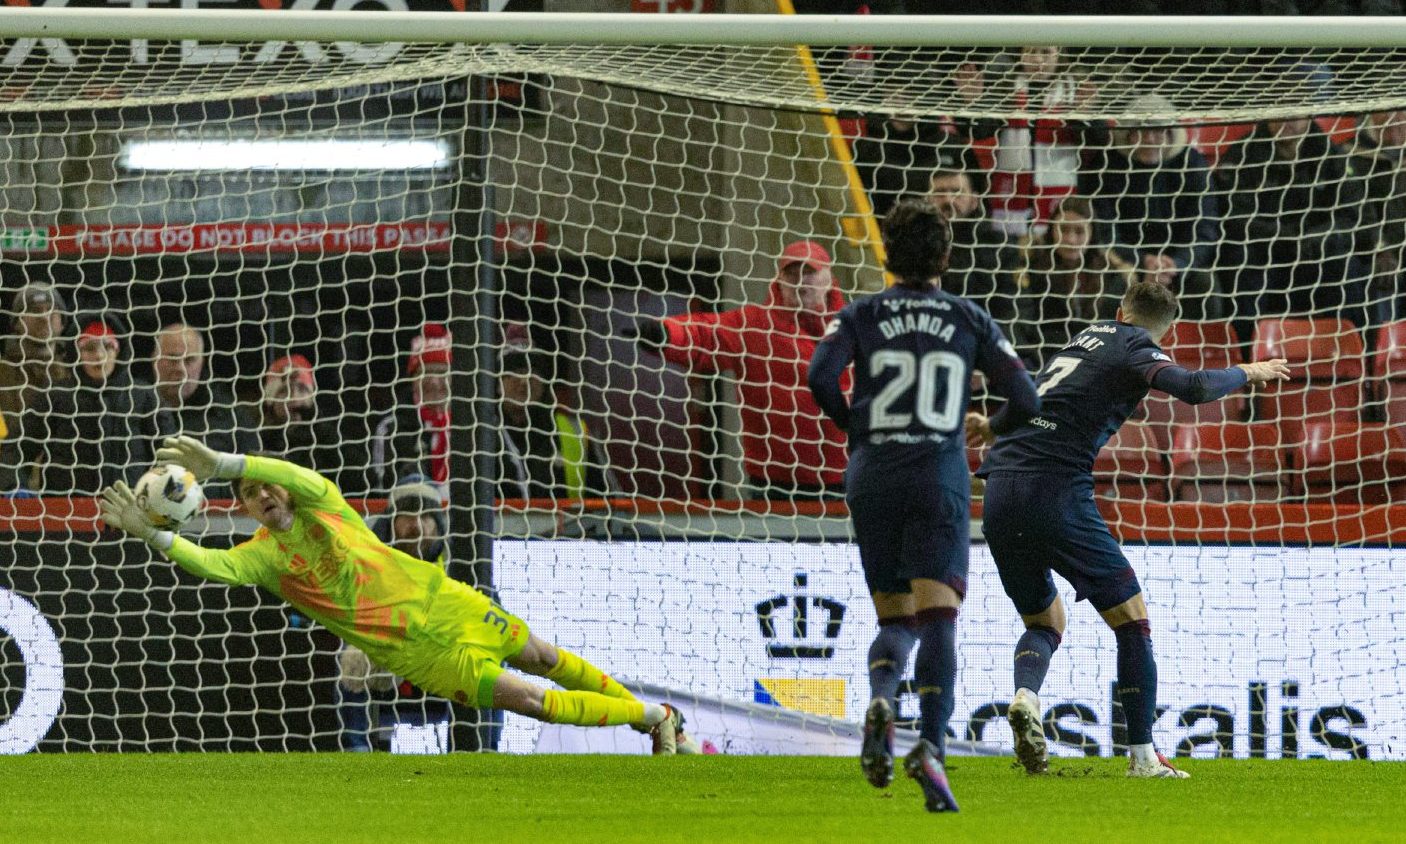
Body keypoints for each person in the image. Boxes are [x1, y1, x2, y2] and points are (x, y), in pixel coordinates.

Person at [98, 437, 693, 754]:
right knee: (533, 700)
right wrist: (154, 534)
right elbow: (211, 565)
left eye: (267, 488)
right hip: (423, 657)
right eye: (252, 495)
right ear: (246, 507)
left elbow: (304, 478)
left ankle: (668, 730)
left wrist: (229, 462)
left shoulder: (324, 505)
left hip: (448, 602)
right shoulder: (263, 558)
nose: (266, 497)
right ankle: (655, 717)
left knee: (546, 657)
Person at [969, 281, 1290, 778]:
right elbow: (1195, 388)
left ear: (1120, 311)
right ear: (1170, 330)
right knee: (1132, 622)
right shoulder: (1136, 345)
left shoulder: (1083, 337)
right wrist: (1251, 369)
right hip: (1053, 489)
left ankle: (1026, 696)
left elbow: (1030, 396)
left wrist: (992, 426)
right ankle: (1142, 757)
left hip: (999, 490)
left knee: (1043, 621)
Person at [808, 199, 1040, 812]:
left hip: (874, 477)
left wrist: (856, 432)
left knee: (895, 619)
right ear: (945, 256)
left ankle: (883, 695)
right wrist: (990, 425)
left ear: (886, 253)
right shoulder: (968, 317)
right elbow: (1026, 397)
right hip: (937, 477)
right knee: (939, 619)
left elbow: (820, 378)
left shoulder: (859, 313)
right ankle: (931, 747)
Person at [633, 240, 848, 500]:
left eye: (809, 272)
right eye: (792, 273)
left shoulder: (853, 327)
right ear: (779, 280)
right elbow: (706, 333)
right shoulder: (753, 326)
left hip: (843, 479)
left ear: (828, 278)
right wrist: (666, 334)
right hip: (774, 484)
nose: (800, 280)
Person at [1082, 94, 1223, 319]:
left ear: (1170, 134)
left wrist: (1177, 263)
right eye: (1141, 131)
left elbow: (1204, 230)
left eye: (1158, 131)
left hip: (1180, 266)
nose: (1150, 139)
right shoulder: (1108, 166)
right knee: (1112, 294)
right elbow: (1105, 232)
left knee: (1207, 289)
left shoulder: (1192, 164)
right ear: (1128, 135)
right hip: (1127, 264)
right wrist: (1141, 261)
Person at [14, 316, 160, 494]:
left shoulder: (144, 396)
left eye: (107, 347)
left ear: (119, 352)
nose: (99, 356)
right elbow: (17, 450)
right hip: (65, 511)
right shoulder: (55, 397)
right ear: (77, 353)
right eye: (90, 348)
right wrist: (14, 486)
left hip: (130, 511)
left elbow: (167, 455)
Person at [1013, 196, 1135, 368]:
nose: (1071, 239)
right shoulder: (1031, 270)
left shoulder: (1112, 276)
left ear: (1092, 233)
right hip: (1043, 363)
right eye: (1063, 229)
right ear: (1051, 230)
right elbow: (1022, 328)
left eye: (1079, 231)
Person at [151, 322, 257, 497]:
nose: (180, 369)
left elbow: (251, 477)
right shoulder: (132, 410)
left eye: (189, 360)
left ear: (202, 362)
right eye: (172, 359)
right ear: (154, 359)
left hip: (216, 518)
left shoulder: (232, 418)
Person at [498, 351, 606, 502]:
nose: (523, 380)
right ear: (497, 385)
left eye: (532, 372)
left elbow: (602, 501)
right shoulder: (480, 434)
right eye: (514, 372)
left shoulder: (575, 432)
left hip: (568, 525)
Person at [0, 283, 74, 493]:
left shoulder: (78, 375)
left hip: (66, 499)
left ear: (62, 321)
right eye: (34, 310)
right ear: (17, 322)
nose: (44, 316)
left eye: (51, 310)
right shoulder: (2, 376)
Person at [927, 167, 1021, 328]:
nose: (948, 199)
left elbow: (1012, 306)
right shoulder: (915, 244)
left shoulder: (1000, 244)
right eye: (940, 193)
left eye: (957, 192)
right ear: (926, 200)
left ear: (974, 201)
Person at [371, 324, 452, 493]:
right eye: (426, 372)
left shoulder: (475, 425)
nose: (434, 381)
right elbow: (381, 488)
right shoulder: (392, 428)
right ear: (413, 379)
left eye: (442, 372)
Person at [256, 354, 353, 490]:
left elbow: (361, 479)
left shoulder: (330, 436)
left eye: (302, 390)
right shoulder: (258, 442)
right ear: (270, 403)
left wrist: (321, 430)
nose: (294, 398)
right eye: (284, 391)